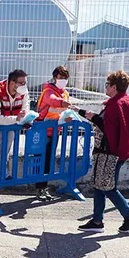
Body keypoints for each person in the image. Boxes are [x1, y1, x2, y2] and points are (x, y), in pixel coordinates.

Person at [73, 70, 129, 233]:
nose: (105, 87)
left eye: (107, 84)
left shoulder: (117, 105)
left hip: (110, 153)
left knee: (108, 187)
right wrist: (82, 112)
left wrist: (92, 117)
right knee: (100, 185)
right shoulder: (125, 102)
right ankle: (97, 221)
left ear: (114, 87)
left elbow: (108, 128)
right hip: (111, 151)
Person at [35, 65, 72, 200]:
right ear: (55, 78)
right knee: (41, 160)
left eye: (65, 78)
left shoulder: (65, 93)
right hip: (42, 131)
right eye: (61, 77)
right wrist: (63, 103)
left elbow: (65, 111)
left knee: (48, 160)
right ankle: (40, 188)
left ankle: (43, 187)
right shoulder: (48, 91)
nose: (63, 80)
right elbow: (52, 100)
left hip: (55, 131)